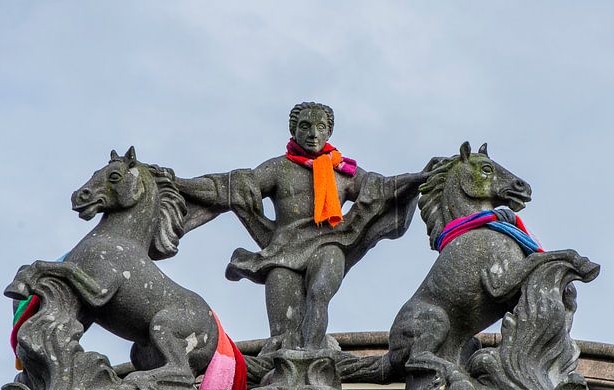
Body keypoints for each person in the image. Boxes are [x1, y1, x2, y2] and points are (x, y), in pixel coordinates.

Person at [178, 102, 430, 351]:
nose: (312, 134)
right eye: (305, 126)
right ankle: (286, 373)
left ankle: (313, 353)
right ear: (293, 131)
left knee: (319, 294)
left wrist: (420, 178)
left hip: (330, 242)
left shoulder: (342, 171)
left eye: (320, 127)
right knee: (281, 335)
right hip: (283, 252)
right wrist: (178, 184)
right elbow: (235, 186)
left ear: (329, 132)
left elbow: (383, 189)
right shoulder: (278, 168)